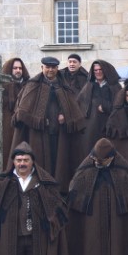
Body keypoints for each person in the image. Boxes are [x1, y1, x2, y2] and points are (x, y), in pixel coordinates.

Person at [12, 56, 87, 186]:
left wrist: (65, 115)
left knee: (58, 163)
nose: (50, 70)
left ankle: (59, 187)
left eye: (53, 67)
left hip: (60, 134)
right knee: (40, 160)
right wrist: (38, 119)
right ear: (42, 68)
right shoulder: (32, 85)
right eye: (47, 67)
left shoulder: (64, 86)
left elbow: (74, 109)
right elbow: (22, 111)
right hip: (38, 134)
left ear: (57, 68)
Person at [77, 59, 120, 158]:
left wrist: (106, 107)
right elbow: (80, 104)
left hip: (109, 126)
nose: (98, 72)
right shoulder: (89, 86)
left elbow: (119, 105)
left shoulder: (114, 87)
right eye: (95, 70)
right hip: (91, 127)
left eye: (100, 69)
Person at [1, 57, 30, 165]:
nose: (18, 70)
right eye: (15, 68)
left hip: (22, 128)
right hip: (6, 127)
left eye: (20, 68)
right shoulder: (1, 87)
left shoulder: (28, 86)